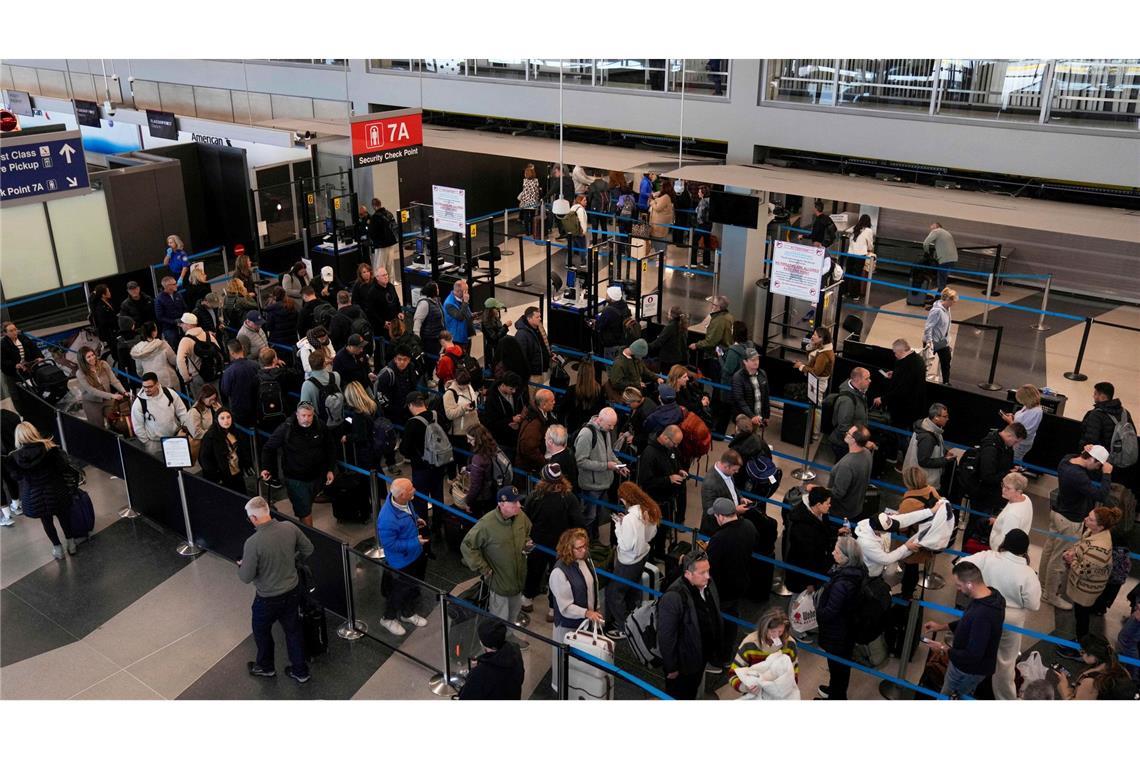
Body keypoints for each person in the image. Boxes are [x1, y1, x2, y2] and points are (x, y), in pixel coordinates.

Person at [238, 496, 314, 684]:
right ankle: (300, 671)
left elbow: (245, 577)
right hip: (293, 590)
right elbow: (309, 549)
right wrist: (292, 559)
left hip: (267, 597)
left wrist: (242, 565)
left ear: (254, 519)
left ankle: (266, 667)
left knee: (261, 630)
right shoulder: (290, 527)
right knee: (293, 630)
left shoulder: (253, 543)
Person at [965, 529, 1042, 700]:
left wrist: (975, 590)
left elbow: (961, 566)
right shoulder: (1028, 573)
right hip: (1011, 620)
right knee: (1005, 662)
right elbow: (1034, 605)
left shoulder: (988, 557)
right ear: (1025, 550)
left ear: (1005, 543)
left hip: (983, 611)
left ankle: (965, 690)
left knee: (976, 650)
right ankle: (1004, 698)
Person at [1040, 445, 1114, 610]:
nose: (1098, 469)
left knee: (1049, 550)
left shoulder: (1066, 460)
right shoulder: (1078, 476)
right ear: (1091, 458)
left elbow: (1084, 462)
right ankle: (1050, 595)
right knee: (1059, 559)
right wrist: (1107, 475)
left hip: (1057, 513)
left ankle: (1043, 584)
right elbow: (1101, 495)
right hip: (1069, 521)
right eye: (1098, 465)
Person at [461, 486, 534, 644]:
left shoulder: (520, 516)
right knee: (499, 616)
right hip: (499, 580)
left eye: (518, 502)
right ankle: (497, 645)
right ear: (501, 504)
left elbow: (527, 530)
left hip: (517, 577)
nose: (519, 506)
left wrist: (526, 543)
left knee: (514, 611)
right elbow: (467, 546)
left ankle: (509, 637)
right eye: (514, 503)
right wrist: (483, 567)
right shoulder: (486, 524)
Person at [922, 561, 1006, 698]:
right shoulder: (991, 595)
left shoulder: (982, 616)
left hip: (967, 671)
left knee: (950, 696)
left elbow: (972, 655)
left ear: (969, 584)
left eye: (959, 585)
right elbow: (968, 622)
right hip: (971, 667)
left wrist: (943, 649)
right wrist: (941, 627)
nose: (958, 589)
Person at [4, 423, 79, 559]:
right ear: (34, 432)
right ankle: (71, 543)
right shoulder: (49, 447)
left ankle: (58, 549)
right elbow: (63, 468)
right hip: (56, 490)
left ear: (18, 437)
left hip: (35, 495)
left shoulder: (14, 457)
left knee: (46, 521)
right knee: (64, 517)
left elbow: (17, 477)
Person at [1056, 506, 1122, 656]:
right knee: (1081, 614)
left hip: (1086, 589)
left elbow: (1085, 572)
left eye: (1090, 519)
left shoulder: (1099, 548)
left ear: (1101, 526)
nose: (1085, 519)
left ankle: (1082, 646)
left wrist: (1070, 559)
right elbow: (1081, 545)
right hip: (1083, 585)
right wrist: (1072, 551)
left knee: (1081, 617)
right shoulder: (1093, 532)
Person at [657, 551, 723, 699]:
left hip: (700, 656)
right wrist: (671, 667)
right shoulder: (673, 597)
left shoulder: (707, 584)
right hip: (684, 665)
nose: (708, 576)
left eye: (708, 570)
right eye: (702, 572)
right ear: (687, 574)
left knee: (693, 689)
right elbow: (667, 637)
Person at [260, 402, 335, 527]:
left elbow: (330, 447)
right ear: (297, 415)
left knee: (307, 505)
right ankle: (310, 537)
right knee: (304, 511)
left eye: (309, 415)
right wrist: (266, 468)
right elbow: (269, 448)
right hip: (296, 479)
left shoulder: (320, 426)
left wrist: (330, 469)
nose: (306, 419)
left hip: (317, 476)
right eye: (303, 415)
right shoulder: (286, 429)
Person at [522, 464, 585, 613]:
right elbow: (579, 523)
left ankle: (527, 599)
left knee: (534, 571)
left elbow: (525, 519)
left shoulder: (535, 496)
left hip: (538, 543)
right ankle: (552, 607)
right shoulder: (569, 498)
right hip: (561, 545)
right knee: (558, 576)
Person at [706, 496, 760, 668]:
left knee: (717, 621)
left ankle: (718, 659)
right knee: (732, 619)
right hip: (742, 582)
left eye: (715, 515)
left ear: (721, 516)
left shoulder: (719, 538)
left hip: (722, 589)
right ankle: (728, 654)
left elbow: (710, 567)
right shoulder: (749, 526)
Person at [605, 481, 661, 639]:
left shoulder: (630, 519)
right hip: (642, 557)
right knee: (632, 590)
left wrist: (618, 526)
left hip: (628, 561)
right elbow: (649, 536)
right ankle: (632, 618)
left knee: (614, 593)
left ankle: (624, 628)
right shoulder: (648, 509)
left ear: (624, 499)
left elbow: (625, 544)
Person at [548, 527, 603, 689]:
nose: (584, 550)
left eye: (585, 546)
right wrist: (587, 612)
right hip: (567, 626)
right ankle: (561, 687)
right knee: (564, 659)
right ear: (568, 549)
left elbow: (592, 587)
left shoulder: (584, 561)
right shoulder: (559, 572)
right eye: (579, 548)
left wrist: (595, 608)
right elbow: (565, 607)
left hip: (585, 621)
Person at [375, 477, 430, 636]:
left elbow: (410, 513)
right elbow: (390, 545)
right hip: (402, 561)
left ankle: (407, 613)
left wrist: (416, 519)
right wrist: (414, 542)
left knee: (412, 586)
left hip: (415, 554)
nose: (414, 490)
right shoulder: (386, 519)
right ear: (401, 495)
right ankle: (388, 618)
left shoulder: (405, 502)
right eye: (410, 489)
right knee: (399, 590)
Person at [815, 536, 867, 700]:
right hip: (848, 629)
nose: (832, 553)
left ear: (845, 558)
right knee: (841, 668)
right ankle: (835, 691)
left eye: (836, 551)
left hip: (837, 633)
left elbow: (830, 611)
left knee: (837, 668)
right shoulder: (859, 571)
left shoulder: (842, 583)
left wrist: (818, 611)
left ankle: (836, 697)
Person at [400, 392, 447, 535]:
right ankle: (438, 525)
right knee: (438, 495)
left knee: (420, 499)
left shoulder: (412, 423)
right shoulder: (437, 415)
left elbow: (404, 450)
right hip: (439, 464)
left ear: (410, 405)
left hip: (421, 468)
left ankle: (423, 529)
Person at [574, 408, 625, 540]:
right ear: (600, 420)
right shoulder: (586, 434)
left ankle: (594, 541)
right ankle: (587, 545)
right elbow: (580, 461)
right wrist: (606, 466)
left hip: (603, 483)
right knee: (589, 518)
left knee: (597, 516)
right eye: (610, 425)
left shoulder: (605, 430)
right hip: (591, 486)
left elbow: (609, 452)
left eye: (613, 425)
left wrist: (618, 465)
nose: (612, 428)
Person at [893, 466, 943, 600]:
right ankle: (908, 591)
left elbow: (902, 526)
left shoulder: (909, 502)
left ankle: (906, 594)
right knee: (912, 568)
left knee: (910, 568)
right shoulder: (932, 491)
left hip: (912, 539)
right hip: (926, 536)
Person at [728, 606, 800, 697]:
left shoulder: (790, 644)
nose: (776, 635)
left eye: (780, 631)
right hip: (754, 694)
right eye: (773, 631)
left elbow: (794, 671)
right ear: (764, 627)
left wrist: (786, 689)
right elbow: (733, 674)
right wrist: (746, 688)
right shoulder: (749, 643)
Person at [637, 424, 686, 556]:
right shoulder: (649, 454)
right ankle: (650, 556)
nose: (676, 447)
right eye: (674, 443)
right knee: (652, 532)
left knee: (663, 530)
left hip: (667, 501)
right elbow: (645, 481)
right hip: (654, 502)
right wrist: (668, 479)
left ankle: (659, 552)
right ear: (665, 438)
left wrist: (679, 470)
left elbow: (674, 462)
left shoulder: (670, 449)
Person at [874, 339, 928, 458]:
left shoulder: (909, 364)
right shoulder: (916, 360)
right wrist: (895, 374)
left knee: (900, 434)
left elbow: (901, 390)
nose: (894, 355)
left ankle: (904, 460)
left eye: (895, 352)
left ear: (902, 351)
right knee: (904, 433)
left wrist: (883, 399)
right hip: (913, 407)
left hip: (905, 409)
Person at [969, 423, 1028, 530]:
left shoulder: (1005, 446)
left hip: (993, 496)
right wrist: (1008, 473)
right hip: (983, 497)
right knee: (977, 526)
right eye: (1015, 442)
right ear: (1010, 436)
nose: (1015, 445)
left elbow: (1001, 465)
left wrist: (1012, 468)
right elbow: (987, 475)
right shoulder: (991, 447)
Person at [784, 487, 840, 594]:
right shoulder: (802, 529)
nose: (830, 505)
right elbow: (807, 559)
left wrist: (837, 531)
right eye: (827, 503)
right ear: (818, 505)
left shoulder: (820, 513)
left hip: (816, 567)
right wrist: (812, 583)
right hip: (803, 577)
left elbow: (825, 530)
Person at [456, 619, 525, 700]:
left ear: (481, 643)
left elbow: (466, 697)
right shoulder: (515, 650)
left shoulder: (479, 674)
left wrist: (474, 671)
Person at [1055, 634, 1137, 700]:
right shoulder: (1123, 670)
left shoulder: (1091, 681)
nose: (1081, 654)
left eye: (1082, 651)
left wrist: (1063, 688)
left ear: (1094, 657)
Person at [130, 372, 193, 457]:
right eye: (144, 387)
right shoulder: (139, 403)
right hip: (155, 444)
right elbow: (138, 427)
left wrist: (184, 428)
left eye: (150, 386)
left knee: (177, 468)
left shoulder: (169, 393)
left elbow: (182, 411)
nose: (147, 389)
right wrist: (148, 443)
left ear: (157, 384)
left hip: (175, 438)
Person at [827, 425, 875, 522]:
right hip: (856, 507)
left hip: (840, 512)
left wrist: (819, 490)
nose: (846, 434)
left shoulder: (846, 465)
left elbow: (838, 493)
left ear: (853, 440)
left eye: (848, 433)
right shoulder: (867, 453)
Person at [902, 402, 954, 490]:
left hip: (919, 480)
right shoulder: (928, 437)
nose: (948, 419)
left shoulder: (928, 427)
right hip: (923, 483)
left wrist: (945, 451)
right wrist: (945, 460)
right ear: (936, 417)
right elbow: (923, 461)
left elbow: (933, 448)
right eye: (945, 416)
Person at [198, 407, 250, 494]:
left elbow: (242, 449)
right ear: (216, 420)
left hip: (236, 471)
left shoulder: (234, 431)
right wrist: (216, 475)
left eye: (228, 417)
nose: (226, 421)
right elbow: (204, 458)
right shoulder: (210, 436)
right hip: (222, 476)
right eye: (222, 418)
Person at [75, 345, 127, 429]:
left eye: (93, 355)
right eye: (88, 357)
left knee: (115, 421)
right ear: (83, 360)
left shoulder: (103, 364)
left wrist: (123, 391)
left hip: (107, 400)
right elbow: (92, 391)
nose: (92, 358)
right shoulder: (80, 373)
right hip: (92, 403)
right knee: (98, 427)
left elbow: (114, 380)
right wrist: (112, 395)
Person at [700, 449, 748, 536]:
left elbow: (732, 487)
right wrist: (735, 510)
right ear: (726, 466)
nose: (736, 472)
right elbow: (709, 511)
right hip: (716, 530)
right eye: (734, 470)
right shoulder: (710, 483)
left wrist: (741, 498)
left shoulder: (726, 472)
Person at [826, 367, 871, 462]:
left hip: (852, 442)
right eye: (867, 378)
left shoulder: (859, 392)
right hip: (844, 445)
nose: (870, 381)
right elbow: (844, 427)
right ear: (857, 380)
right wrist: (863, 443)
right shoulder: (847, 401)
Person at [464, 424, 506, 519]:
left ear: (478, 440)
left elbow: (475, 486)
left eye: (470, 439)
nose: (468, 441)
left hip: (482, 497)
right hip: (494, 491)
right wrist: (470, 467)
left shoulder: (478, 458)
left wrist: (468, 502)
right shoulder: (493, 446)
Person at [1078, 381, 1131, 456]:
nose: (1093, 396)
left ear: (1102, 396)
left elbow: (1090, 441)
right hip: (1122, 457)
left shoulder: (1096, 414)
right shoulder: (1125, 413)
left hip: (1102, 459)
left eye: (1095, 394)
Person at [688, 295, 734, 379]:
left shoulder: (719, 320)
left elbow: (711, 341)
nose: (711, 306)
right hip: (724, 355)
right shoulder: (728, 316)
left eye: (713, 304)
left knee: (716, 382)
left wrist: (697, 345)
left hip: (717, 357)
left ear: (718, 307)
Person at [176, 312, 221, 397]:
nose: (181, 325)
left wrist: (186, 378)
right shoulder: (208, 334)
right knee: (216, 400)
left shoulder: (185, 340)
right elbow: (219, 351)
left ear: (188, 325)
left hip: (197, 376)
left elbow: (180, 360)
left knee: (201, 404)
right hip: (213, 373)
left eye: (182, 323)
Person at [555, 357, 604, 434]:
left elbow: (561, 410)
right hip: (592, 430)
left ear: (579, 373)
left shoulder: (571, 390)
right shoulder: (599, 391)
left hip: (574, 429)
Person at [219, 340, 260, 428]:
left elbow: (225, 391)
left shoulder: (229, 372)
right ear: (242, 349)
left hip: (239, 410)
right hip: (257, 407)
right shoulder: (256, 365)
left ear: (231, 353)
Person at [480, 372, 525, 452]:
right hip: (501, 441)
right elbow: (490, 423)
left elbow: (521, 407)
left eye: (515, 389)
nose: (514, 391)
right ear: (503, 385)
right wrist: (511, 420)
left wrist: (519, 420)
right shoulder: (492, 399)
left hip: (515, 437)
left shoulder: (516, 393)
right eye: (511, 389)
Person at [988, 472, 1033, 551]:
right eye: (1003, 485)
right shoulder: (1026, 498)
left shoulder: (1012, 515)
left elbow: (1004, 541)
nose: (1003, 490)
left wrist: (995, 553)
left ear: (1018, 491)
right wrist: (999, 521)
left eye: (1008, 488)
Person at [517, 388, 557, 475]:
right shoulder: (534, 424)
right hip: (530, 468)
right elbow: (529, 448)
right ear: (544, 404)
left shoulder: (545, 415)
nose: (554, 402)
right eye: (552, 400)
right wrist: (544, 462)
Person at [514, 306, 552, 394]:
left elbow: (542, 345)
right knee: (532, 396)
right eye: (537, 317)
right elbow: (521, 357)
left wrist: (549, 354)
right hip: (532, 374)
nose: (540, 319)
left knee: (538, 394)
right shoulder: (522, 335)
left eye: (540, 316)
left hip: (540, 370)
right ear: (529, 318)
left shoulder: (537, 329)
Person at [730, 347, 770, 431]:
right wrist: (752, 416)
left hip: (758, 418)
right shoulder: (738, 377)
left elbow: (766, 396)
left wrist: (766, 415)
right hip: (744, 420)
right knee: (743, 442)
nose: (756, 362)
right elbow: (739, 400)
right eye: (753, 360)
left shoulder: (762, 374)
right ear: (745, 362)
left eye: (757, 359)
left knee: (754, 441)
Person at [130, 321, 179, 388]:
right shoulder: (163, 345)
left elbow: (139, 371)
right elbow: (174, 360)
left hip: (150, 383)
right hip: (167, 379)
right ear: (153, 332)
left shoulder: (138, 349)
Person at [923, 287, 957, 384]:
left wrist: (947, 340)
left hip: (942, 342)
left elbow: (947, 326)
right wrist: (929, 342)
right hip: (932, 342)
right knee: (926, 364)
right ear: (948, 300)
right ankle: (921, 381)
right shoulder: (936, 311)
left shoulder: (948, 309)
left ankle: (946, 382)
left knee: (946, 362)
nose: (954, 303)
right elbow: (928, 327)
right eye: (953, 300)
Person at [1001, 384, 1044, 461]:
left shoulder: (1036, 412)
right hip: (1016, 440)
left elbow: (1023, 432)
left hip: (1021, 443)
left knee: (1014, 461)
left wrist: (1009, 421)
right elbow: (1022, 421)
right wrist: (1013, 416)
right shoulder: (1028, 406)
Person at [2, 321, 45, 396]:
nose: (14, 332)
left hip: (30, 367)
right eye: (11, 331)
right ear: (5, 333)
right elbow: (3, 361)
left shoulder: (23, 338)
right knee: (29, 390)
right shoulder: (3, 344)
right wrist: (15, 365)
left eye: (15, 329)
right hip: (16, 373)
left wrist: (39, 356)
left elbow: (34, 348)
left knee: (42, 382)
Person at [412, 281, 445, 376]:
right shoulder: (424, 304)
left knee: (434, 359)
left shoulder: (436, 301)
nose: (438, 290)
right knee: (429, 360)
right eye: (437, 288)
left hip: (437, 336)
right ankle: (427, 378)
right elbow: (418, 320)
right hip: (429, 338)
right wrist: (417, 338)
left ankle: (429, 377)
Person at [792, 326, 835, 399]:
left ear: (821, 338)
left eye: (815, 335)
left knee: (815, 406)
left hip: (818, 384)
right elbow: (811, 361)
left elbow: (815, 372)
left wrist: (801, 366)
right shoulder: (821, 347)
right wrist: (811, 345)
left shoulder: (824, 354)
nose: (812, 336)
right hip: (814, 381)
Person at [595, 286, 632, 362]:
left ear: (612, 297)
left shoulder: (608, 311)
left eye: (607, 294)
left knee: (611, 368)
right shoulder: (624, 306)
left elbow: (600, 325)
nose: (606, 296)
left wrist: (594, 323)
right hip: (622, 343)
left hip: (611, 345)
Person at [648, 305, 688, 372]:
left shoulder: (670, 327)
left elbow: (659, 342)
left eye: (668, 313)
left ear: (671, 316)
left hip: (668, 360)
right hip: (679, 358)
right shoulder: (682, 325)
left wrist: (647, 347)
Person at [922, 222, 958, 293]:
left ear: (936, 226)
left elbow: (925, 243)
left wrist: (927, 253)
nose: (931, 231)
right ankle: (942, 296)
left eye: (931, 228)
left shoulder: (936, 231)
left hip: (945, 259)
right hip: (953, 258)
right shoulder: (946, 232)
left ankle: (938, 298)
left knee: (941, 280)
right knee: (943, 279)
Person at [368, 199, 401, 276]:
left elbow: (372, 233)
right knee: (390, 266)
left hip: (381, 246)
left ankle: (381, 284)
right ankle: (391, 283)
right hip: (391, 243)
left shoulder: (375, 217)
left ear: (374, 206)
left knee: (380, 267)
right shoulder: (389, 214)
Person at [847, 213, 876, 300]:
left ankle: (845, 292)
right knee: (857, 275)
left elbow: (850, 240)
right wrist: (870, 249)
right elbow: (870, 244)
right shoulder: (868, 231)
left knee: (848, 273)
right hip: (860, 255)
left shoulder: (854, 228)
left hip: (850, 253)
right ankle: (855, 295)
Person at [154, 276, 187, 349]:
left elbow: (184, 308)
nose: (176, 285)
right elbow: (160, 317)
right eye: (174, 284)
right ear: (167, 286)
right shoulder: (159, 299)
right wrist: (174, 322)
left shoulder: (178, 294)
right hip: (169, 327)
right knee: (174, 344)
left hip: (182, 323)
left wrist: (184, 318)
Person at [544, 425, 578, 493]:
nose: (545, 440)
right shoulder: (569, 453)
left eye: (545, 438)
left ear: (550, 442)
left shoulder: (554, 465)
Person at [443, 280, 475, 352]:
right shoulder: (449, 303)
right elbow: (460, 317)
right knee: (460, 359)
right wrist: (465, 302)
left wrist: (471, 315)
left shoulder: (461, 299)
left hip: (467, 335)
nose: (467, 293)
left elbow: (465, 312)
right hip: (458, 338)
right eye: (465, 291)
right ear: (458, 291)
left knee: (467, 358)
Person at [481, 297, 509, 370]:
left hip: (499, 346)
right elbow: (495, 337)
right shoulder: (486, 322)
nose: (498, 310)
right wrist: (505, 327)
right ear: (491, 310)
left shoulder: (494, 317)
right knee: (496, 368)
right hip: (493, 350)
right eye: (497, 308)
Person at [517, 165, 542, 237]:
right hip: (533, 202)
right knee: (532, 217)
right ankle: (532, 231)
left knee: (526, 217)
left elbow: (524, 193)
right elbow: (537, 192)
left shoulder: (524, 181)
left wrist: (521, 202)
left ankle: (527, 232)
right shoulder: (536, 181)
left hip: (526, 202)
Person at [647, 187, 674, 254]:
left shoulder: (666, 197)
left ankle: (660, 257)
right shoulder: (664, 196)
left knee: (659, 242)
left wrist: (652, 202)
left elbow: (658, 208)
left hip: (660, 224)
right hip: (658, 223)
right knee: (656, 240)